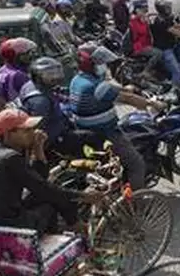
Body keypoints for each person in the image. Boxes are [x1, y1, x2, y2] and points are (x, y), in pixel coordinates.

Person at [0, 109, 103, 232]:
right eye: (26, 130)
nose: (32, 133)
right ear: (9, 134)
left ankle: (75, 226)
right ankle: (67, 235)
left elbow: (38, 179)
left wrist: (38, 147)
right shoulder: (10, 158)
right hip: (1, 226)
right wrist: (84, 196)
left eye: (32, 129)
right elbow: (44, 189)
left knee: (51, 195)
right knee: (50, 205)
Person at [69, 43, 161, 189]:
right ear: (90, 64)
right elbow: (128, 99)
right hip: (106, 133)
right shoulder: (97, 86)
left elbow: (115, 91)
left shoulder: (77, 80)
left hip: (85, 131)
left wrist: (126, 89)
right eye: (100, 63)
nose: (104, 65)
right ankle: (136, 205)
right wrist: (153, 104)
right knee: (137, 164)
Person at [150, 0, 180, 90]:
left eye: (169, 7)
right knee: (176, 71)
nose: (169, 9)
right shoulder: (160, 21)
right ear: (161, 9)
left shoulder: (166, 18)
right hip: (165, 49)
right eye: (167, 8)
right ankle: (175, 92)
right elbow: (175, 31)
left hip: (173, 46)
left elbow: (177, 26)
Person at [0, 36, 37, 103]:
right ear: (15, 56)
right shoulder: (19, 75)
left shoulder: (0, 71)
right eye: (26, 54)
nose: (30, 56)